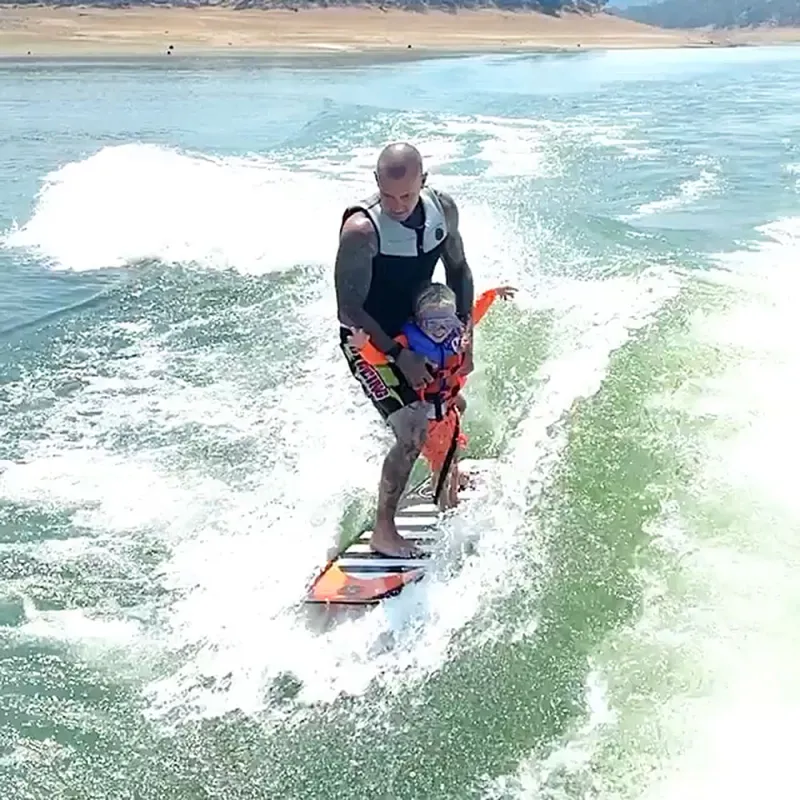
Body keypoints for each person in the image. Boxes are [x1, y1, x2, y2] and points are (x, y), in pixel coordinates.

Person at [334, 142, 475, 558]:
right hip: (370, 340)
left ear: (424, 183)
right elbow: (348, 309)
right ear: (376, 183)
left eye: (407, 196)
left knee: (445, 402)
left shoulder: (442, 210)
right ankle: (384, 530)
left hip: (420, 330)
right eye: (388, 195)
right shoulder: (362, 230)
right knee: (412, 430)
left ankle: (442, 479)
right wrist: (400, 356)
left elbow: (460, 271)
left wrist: (464, 334)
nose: (397, 205)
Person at [349, 281, 518, 511]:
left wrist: (491, 295)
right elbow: (380, 358)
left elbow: (474, 314)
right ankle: (447, 508)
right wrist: (363, 346)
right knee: (443, 462)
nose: (440, 329)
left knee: (452, 450)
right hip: (427, 414)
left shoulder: (456, 332)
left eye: (445, 322)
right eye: (432, 324)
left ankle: (452, 485)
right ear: (419, 322)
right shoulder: (408, 342)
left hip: (446, 408)